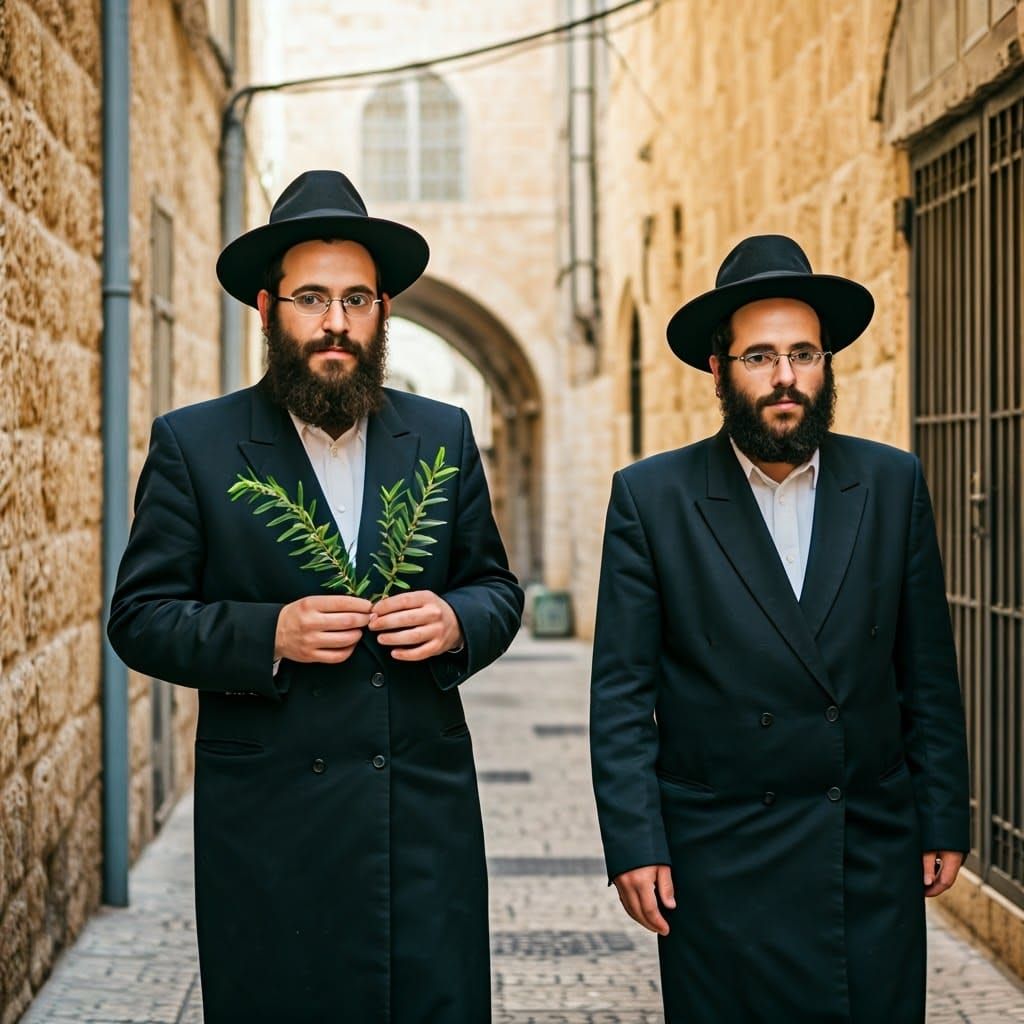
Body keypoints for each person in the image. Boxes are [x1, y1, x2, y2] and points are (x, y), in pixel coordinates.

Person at [108, 170, 523, 1023]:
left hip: (419, 813)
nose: (335, 322)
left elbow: (496, 588)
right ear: (268, 311)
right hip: (270, 823)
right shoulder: (196, 444)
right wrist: (271, 633)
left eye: (357, 299)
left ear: (383, 313)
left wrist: (456, 621)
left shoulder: (442, 433)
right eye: (311, 298)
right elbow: (140, 619)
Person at [589, 234, 970, 1023]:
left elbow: (925, 666)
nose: (786, 377)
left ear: (827, 364)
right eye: (760, 356)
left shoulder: (891, 482)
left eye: (804, 353)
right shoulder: (652, 498)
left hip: (863, 843)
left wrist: (942, 814)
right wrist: (636, 843)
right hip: (721, 852)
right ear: (717, 370)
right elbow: (623, 695)